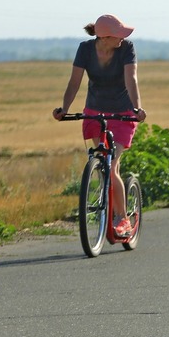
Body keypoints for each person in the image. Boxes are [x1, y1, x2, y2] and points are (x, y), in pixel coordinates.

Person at [53, 14, 147, 239]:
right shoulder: (85, 49)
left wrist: (137, 108)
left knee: (113, 165)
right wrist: (64, 108)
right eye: (119, 35)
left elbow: (130, 79)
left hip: (122, 112)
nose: (123, 39)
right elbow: (74, 81)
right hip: (94, 110)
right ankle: (105, 197)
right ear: (104, 37)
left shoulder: (126, 48)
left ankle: (122, 217)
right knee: (101, 161)